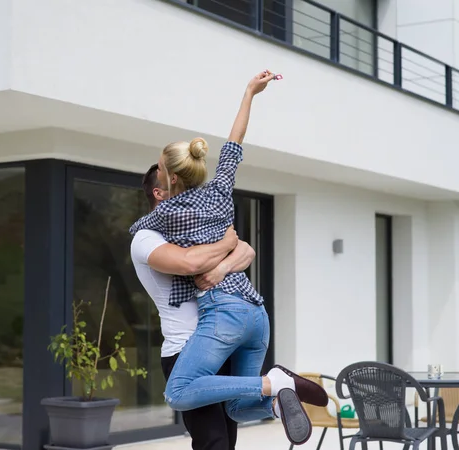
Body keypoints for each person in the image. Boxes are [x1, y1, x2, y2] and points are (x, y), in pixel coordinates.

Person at [129, 71, 328, 446]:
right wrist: (250, 92)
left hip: (222, 318)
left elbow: (191, 260)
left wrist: (220, 256)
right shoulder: (220, 192)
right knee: (238, 409)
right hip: (256, 315)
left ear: (166, 186)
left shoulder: (164, 216)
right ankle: (275, 403)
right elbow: (234, 144)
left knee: (178, 392)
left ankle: (275, 382)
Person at [131, 163, 256, 449]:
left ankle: (271, 393)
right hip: (185, 352)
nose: (189, 190)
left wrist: (221, 269)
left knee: (228, 440)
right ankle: (271, 387)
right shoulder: (146, 238)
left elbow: (247, 250)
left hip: (219, 346)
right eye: (178, 184)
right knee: (213, 442)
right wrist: (226, 243)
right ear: (159, 193)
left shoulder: (194, 229)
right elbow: (191, 263)